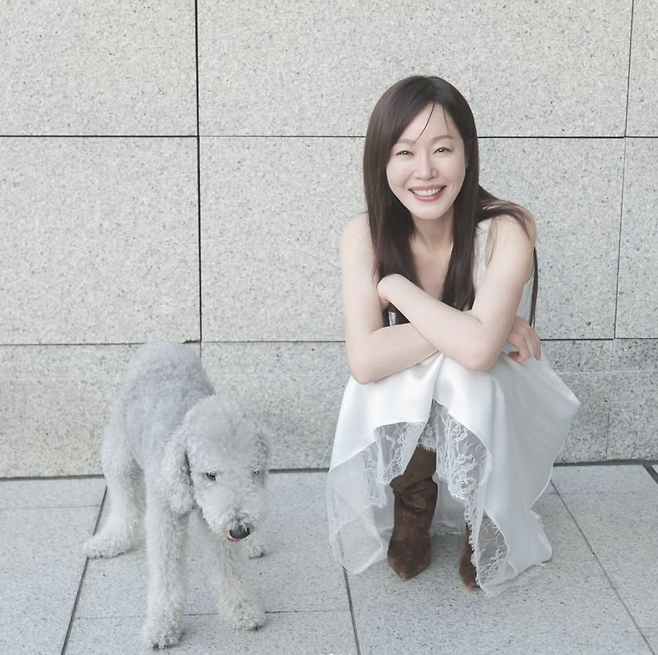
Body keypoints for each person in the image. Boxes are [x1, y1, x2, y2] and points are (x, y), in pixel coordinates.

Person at [326, 75, 579, 597]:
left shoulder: (507, 227)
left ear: (468, 153)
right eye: (405, 152)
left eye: (442, 149)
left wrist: (396, 288)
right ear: (382, 162)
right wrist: (470, 321)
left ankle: (484, 518)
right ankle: (413, 507)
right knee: (388, 380)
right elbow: (365, 361)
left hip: (498, 389)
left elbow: (480, 353)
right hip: (419, 378)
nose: (425, 170)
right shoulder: (363, 233)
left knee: (469, 374)